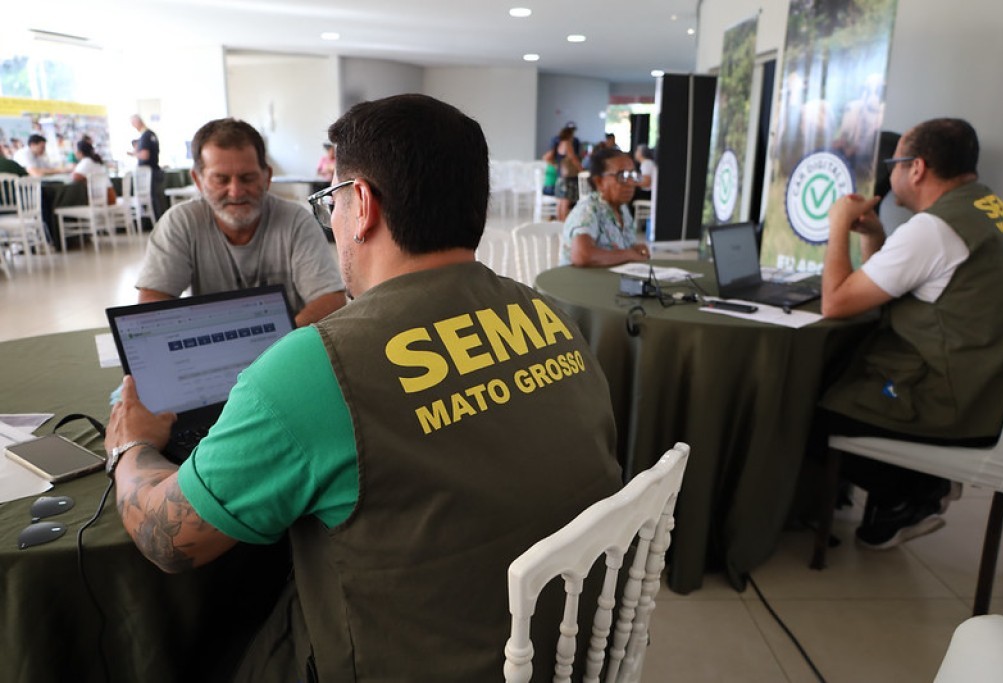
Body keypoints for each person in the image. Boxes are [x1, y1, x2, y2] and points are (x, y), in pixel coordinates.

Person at [104, 93, 623, 681]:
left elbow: (169, 541)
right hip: (560, 646)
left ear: (363, 204)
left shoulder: (316, 366)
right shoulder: (553, 314)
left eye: (333, 202)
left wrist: (132, 447)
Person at [819, 117, 1003, 549]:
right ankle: (913, 489)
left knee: (810, 406)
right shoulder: (996, 212)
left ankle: (912, 493)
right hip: (992, 390)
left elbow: (835, 303)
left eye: (895, 163)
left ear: (917, 168)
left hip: (948, 400)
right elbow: (913, 284)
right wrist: (875, 237)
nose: (891, 174)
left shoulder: (933, 229)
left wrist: (837, 224)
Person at [135, 117, 346, 327]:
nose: (236, 192)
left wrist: (275, 348)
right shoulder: (180, 223)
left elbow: (331, 301)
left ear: (267, 177)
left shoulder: (296, 222)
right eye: (221, 179)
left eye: (247, 178)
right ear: (198, 180)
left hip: (286, 354)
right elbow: (152, 303)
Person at [560, 147, 650, 267]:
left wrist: (634, 249)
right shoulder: (588, 209)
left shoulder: (622, 209)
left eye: (632, 175)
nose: (630, 183)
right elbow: (582, 255)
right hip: (579, 284)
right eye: (622, 176)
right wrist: (629, 254)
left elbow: (620, 247)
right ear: (599, 181)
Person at [129, 114, 166, 219]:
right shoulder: (151, 134)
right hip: (155, 171)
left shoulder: (145, 136)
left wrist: (134, 154)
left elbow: (145, 155)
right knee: (158, 200)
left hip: (150, 174)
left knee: (154, 202)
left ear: (137, 122)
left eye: (133, 124)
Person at [546, 125, 583, 221]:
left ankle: (559, 224)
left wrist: (556, 166)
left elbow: (547, 157)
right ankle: (563, 225)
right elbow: (573, 158)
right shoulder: (567, 144)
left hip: (560, 178)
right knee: (565, 203)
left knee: (560, 203)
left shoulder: (558, 144)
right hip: (568, 179)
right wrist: (581, 170)